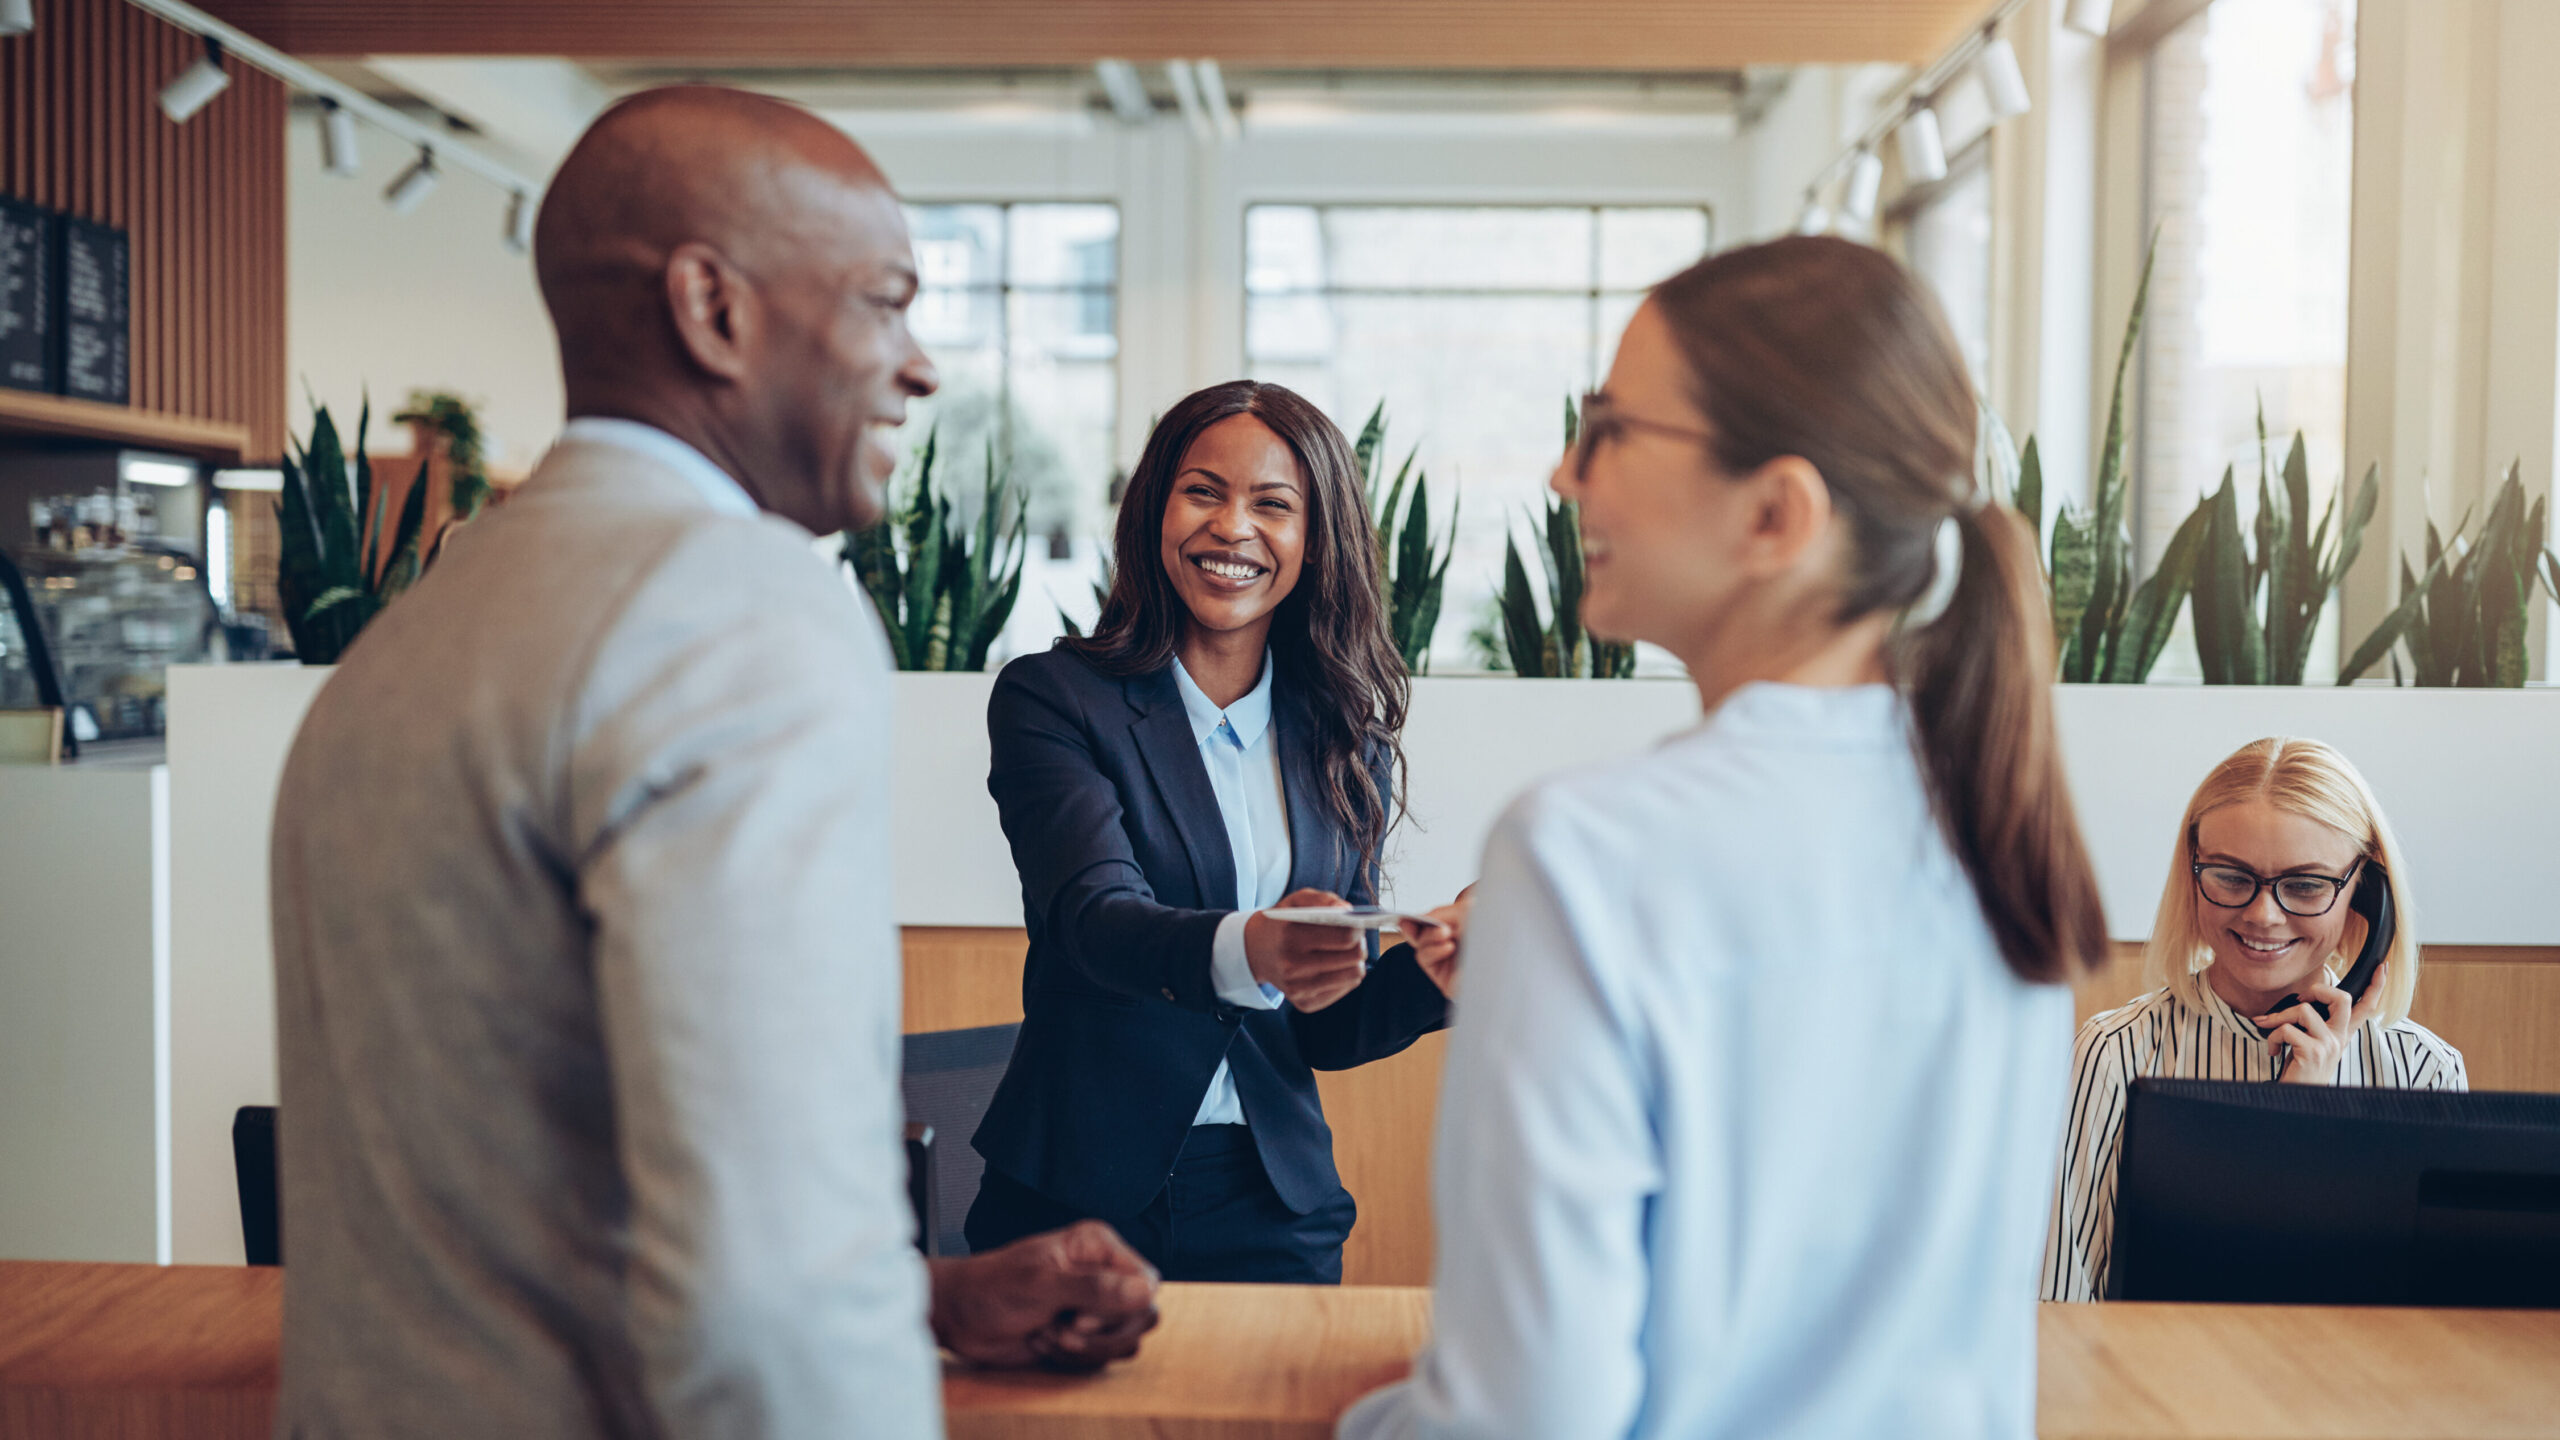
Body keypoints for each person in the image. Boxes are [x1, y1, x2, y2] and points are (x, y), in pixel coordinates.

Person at [269, 88, 1158, 1440]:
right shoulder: (736, 606)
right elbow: (767, 1283)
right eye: (884, 301)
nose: (919, 365)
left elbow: (521, 1187)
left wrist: (927, 1292)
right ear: (713, 309)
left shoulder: (414, 633)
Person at [1340, 236, 2107, 1440]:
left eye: (1608, 432)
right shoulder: (1997, 833)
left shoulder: (1583, 856)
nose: (1561, 474)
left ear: (1775, 513)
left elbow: (1527, 1421)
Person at [967, 379, 1466, 1284]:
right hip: (1074, 1202)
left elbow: (1325, 1025)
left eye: (1273, 505)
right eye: (1203, 491)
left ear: (1315, 542)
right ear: (1156, 510)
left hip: (1275, 1203)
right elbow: (1094, 918)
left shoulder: (1344, 739)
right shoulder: (1055, 698)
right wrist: (1257, 946)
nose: (1232, 528)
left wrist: (1430, 979)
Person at [2042, 736, 2466, 1302]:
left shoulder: (2423, 1073)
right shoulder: (2115, 1053)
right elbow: (2059, 1302)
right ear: (2192, 874)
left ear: (2366, 894)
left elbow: (2435, 1324)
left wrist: (2313, 1098)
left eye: (2306, 884)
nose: (2264, 914)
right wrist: (2286, 1115)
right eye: (2231, 876)